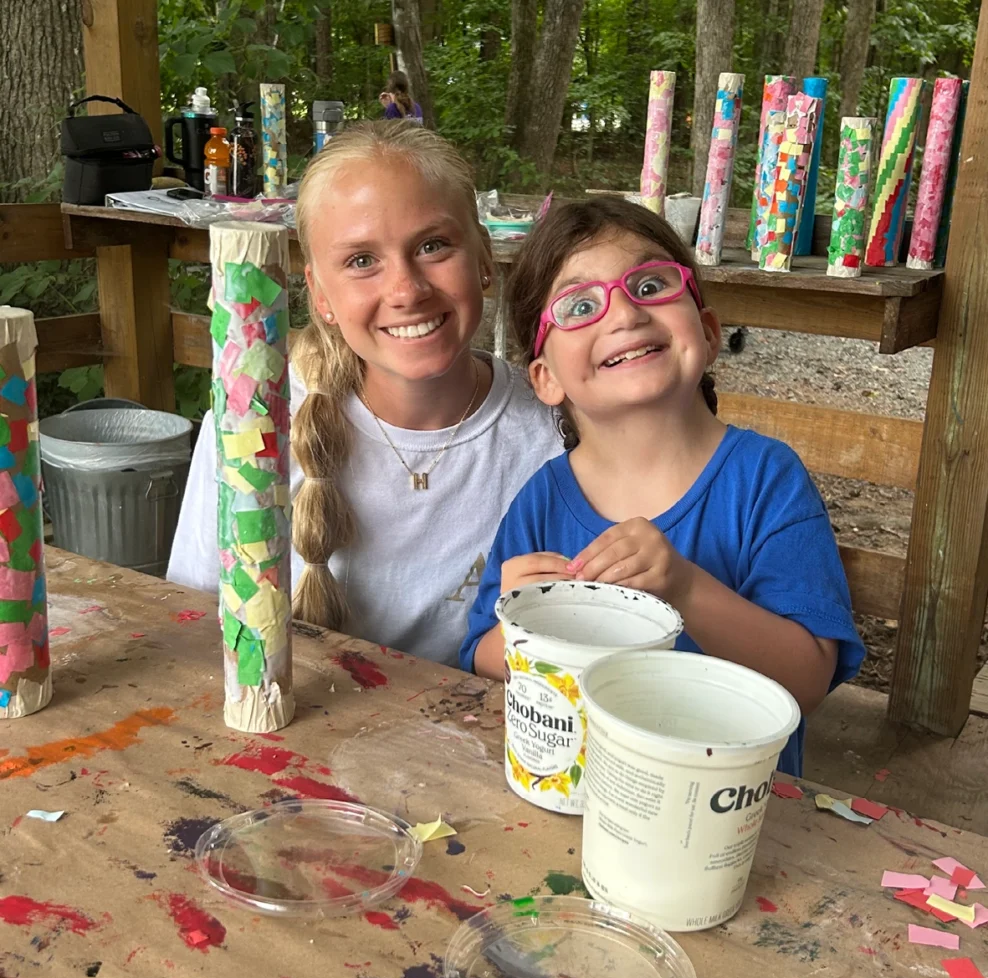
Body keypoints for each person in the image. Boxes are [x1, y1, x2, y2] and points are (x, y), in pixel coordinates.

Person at [459, 196, 865, 777]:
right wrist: (524, 629)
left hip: (729, 813)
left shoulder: (765, 480)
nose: (624, 314)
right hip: (578, 798)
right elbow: (480, 655)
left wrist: (685, 588)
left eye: (650, 286)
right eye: (579, 305)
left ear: (705, 330)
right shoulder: (542, 500)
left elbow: (806, 684)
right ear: (545, 378)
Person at [167, 120, 560, 666]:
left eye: (433, 245)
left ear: (484, 260)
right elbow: (191, 627)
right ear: (320, 294)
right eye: (360, 261)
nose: (406, 290)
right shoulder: (255, 426)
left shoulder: (552, 434)